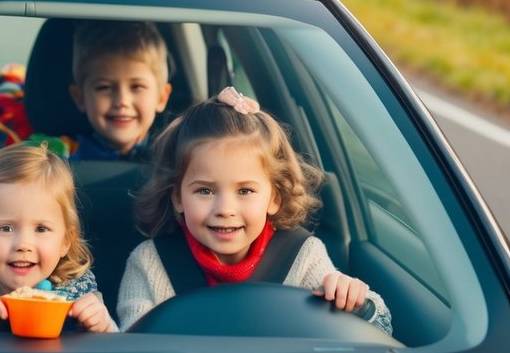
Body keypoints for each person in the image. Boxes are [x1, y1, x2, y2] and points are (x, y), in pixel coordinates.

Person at [117, 86, 393, 334]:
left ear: (274, 197)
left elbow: (378, 329)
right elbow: (133, 350)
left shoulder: (302, 257)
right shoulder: (150, 263)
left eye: (245, 191)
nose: (225, 209)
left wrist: (356, 303)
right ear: (177, 196)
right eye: (205, 191)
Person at [0, 141, 116, 332]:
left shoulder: (78, 289)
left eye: (41, 229)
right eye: (6, 228)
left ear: (65, 241)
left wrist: (106, 327)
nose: (23, 245)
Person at [67, 19, 173, 161]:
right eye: (104, 87)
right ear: (80, 98)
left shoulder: (176, 164)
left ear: (161, 97)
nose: (122, 101)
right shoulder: (61, 168)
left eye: (137, 87)